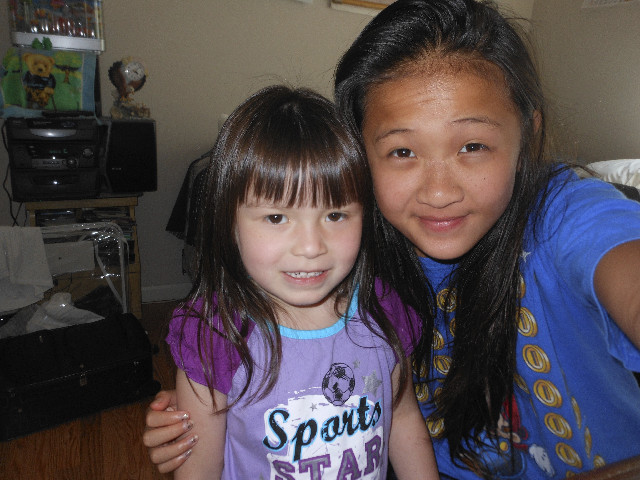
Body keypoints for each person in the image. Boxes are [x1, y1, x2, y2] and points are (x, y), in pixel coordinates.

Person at [144, 0, 640, 478]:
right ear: (358, 156)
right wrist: (209, 412)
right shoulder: (346, 253)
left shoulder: (566, 214)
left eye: (472, 146)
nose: (439, 193)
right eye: (403, 151)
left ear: (527, 135)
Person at [163, 84, 439, 479]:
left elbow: (404, 420)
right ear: (229, 223)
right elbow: (198, 471)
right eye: (276, 217)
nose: (311, 247)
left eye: (335, 215)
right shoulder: (214, 334)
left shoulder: (384, 310)